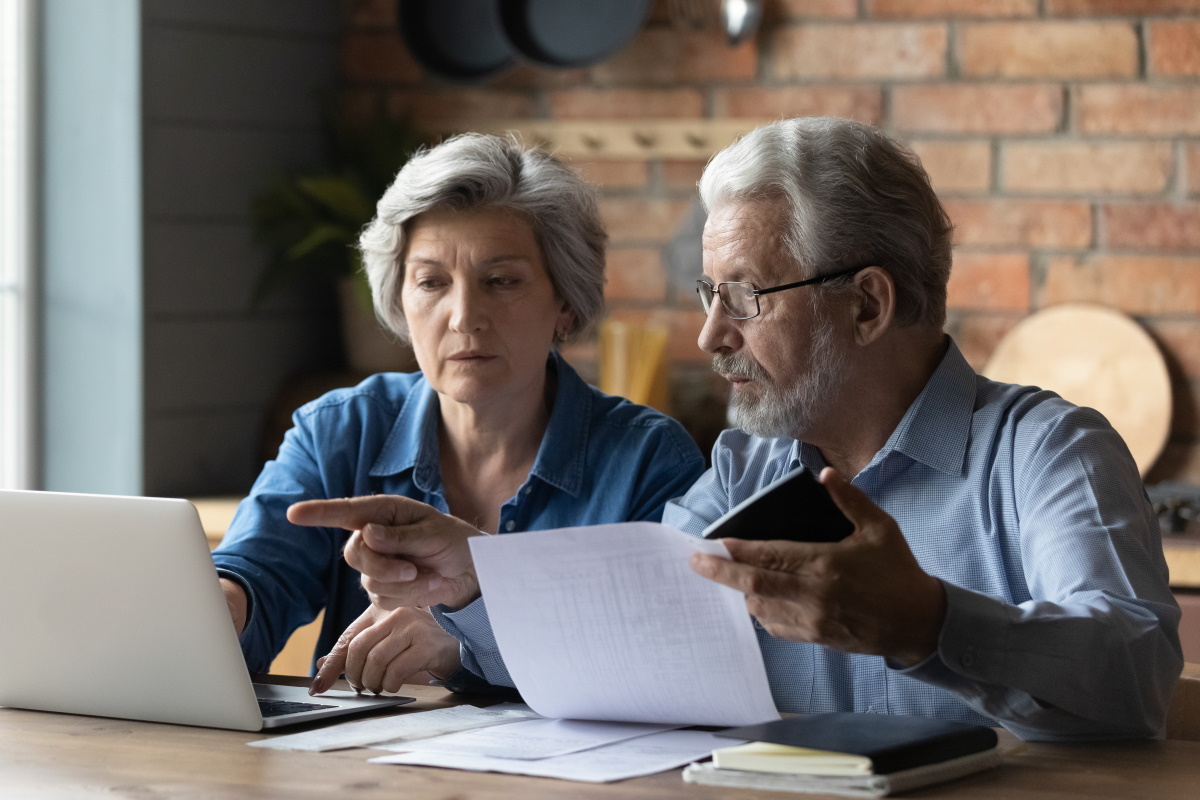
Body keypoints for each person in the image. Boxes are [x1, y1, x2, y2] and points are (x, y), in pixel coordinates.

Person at [296, 118, 1181, 742]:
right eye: (708, 296)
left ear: (867, 304)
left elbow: (1135, 677)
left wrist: (929, 623)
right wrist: (477, 580)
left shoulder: (1046, 450)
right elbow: (631, 628)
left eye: (746, 298)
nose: (711, 337)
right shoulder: (743, 466)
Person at [213, 133, 706, 695]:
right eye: (431, 282)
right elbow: (257, 573)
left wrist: (466, 643)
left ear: (565, 303)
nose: (464, 316)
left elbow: (664, 658)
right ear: (400, 300)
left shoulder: (648, 461)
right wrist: (222, 609)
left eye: (501, 281)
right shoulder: (340, 430)